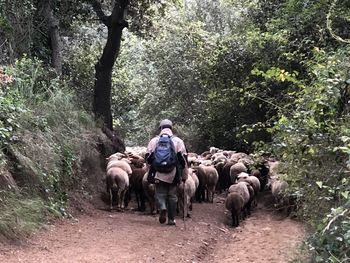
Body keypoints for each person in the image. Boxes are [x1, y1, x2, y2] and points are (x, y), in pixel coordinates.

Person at [146, 119, 188, 226]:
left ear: (160, 128)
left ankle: (162, 207)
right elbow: (183, 160)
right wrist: (184, 175)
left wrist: (149, 173)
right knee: (172, 195)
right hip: (173, 172)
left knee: (160, 193)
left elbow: (148, 158)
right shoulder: (178, 141)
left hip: (158, 172)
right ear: (171, 128)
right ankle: (171, 219)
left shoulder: (154, 141)